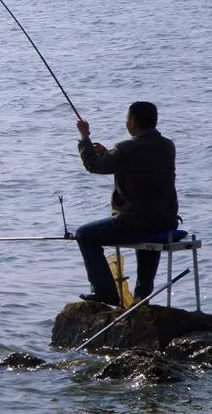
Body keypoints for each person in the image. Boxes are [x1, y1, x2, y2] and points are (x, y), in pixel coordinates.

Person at [74, 101, 178, 306]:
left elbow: (93, 165)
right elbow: (136, 164)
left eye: (127, 118)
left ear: (133, 121)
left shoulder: (126, 148)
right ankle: (142, 297)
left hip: (135, 222)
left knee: (84, 234)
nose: (126, 122)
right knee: (149, 229)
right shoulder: (167, 146)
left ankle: (105, 292)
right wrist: (108, 154)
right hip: (166, 221)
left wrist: (85, 137)